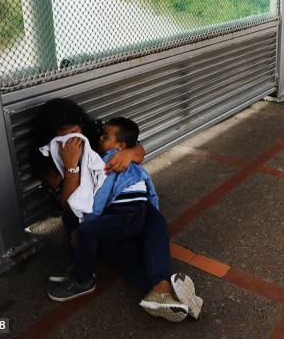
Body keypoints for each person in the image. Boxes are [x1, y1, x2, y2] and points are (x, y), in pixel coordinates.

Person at [29, 99, 201, 322]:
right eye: (67, 133)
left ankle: (162, 289)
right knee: (125, 252)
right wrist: (71, 165)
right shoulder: (47, 160)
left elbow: (138, 149)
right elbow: (68, 204)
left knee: (155, 218)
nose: (75, 136)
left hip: (120, 207)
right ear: (52, 135)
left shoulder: (96, 136)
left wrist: (127, 153)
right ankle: (163, 288)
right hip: (93, 215)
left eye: (77, 128)